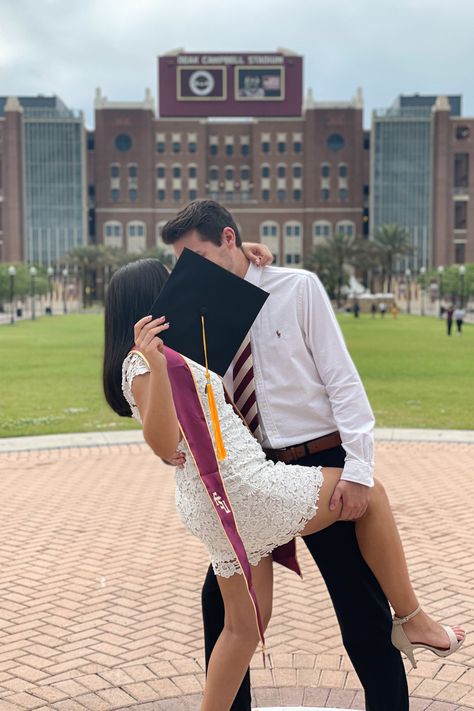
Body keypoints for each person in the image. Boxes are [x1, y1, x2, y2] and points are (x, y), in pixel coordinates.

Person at [103, 255, 465, 711]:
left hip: (221, 499)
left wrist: (240, 252)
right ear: (148, 304)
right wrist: (153, 363)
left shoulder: (178, 353)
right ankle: (413, 617)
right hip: (244, 488)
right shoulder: (145, 363)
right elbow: (161, 442)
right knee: (368, 494)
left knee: (244, 627)